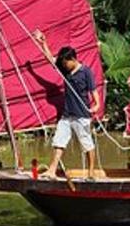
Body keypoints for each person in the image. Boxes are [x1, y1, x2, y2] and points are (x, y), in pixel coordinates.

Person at [32, 29, 101, 179]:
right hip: (67, 115)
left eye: (65, 62)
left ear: (73, 59)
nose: (63, 65)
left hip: (81, 115)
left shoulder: (86, 72)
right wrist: (43, 43)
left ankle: (90, 172)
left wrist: (96, 105)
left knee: (87, 144)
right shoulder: (65, 71)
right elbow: (50, 59)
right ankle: (52, 170)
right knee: (59, 141)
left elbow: (94, 92)